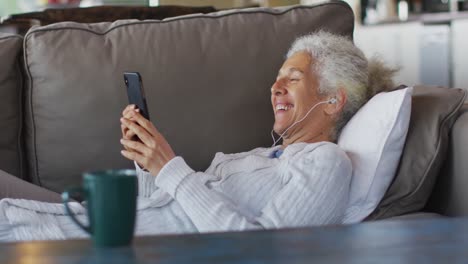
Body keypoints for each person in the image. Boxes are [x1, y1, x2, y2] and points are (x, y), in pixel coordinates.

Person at [0, 31, 396, 241]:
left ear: (331, 101)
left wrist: (169, 166)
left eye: (292, 79)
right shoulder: (265, 157)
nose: (275, 89)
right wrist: (146, 163)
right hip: (97, 224)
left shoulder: (327, 163)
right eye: (275, 80)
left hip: (80, 241)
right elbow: (162, 210)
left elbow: (262, 250)